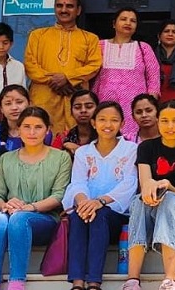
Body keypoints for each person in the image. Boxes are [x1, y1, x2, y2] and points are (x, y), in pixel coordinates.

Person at [0, 107, 72, 290]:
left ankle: (16, 281)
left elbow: (59, 196)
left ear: (47, 130)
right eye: (27, 126)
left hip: (45, 220)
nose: (32, 132)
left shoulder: (61, 158)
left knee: (19, 218)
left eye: (38, 127)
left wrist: (30, 207)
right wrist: (6, 205)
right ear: (18, 129)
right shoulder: (6, 159)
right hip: (11, 215)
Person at [123, 100, 175, 290]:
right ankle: (132, 280)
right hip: (152, 218)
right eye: (164, 121)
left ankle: (170, 279)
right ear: (157, 121)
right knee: (138, 201)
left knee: (170, 198)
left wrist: (167, 185)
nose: (170, 126)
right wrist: (151, 186)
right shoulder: (146, 148)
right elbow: (145, 184)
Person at [63, 102, 139, 290]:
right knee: (78, 216)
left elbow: (129, 183)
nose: (108, 125)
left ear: (122, 124)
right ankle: (77, 281)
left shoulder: (130, 149)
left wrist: (100, 201)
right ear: (94, 123)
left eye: (114, 120)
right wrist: (84, 203)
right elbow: (77, 183)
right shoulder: (83, 152)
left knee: (99, 215)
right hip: (87, 210)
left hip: (115, 213)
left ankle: (94, 282)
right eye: (102, 119)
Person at [25, 0, 102, 134]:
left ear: (78, 10)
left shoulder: (90, 38)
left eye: (69, 6)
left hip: (74, 98)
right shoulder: (37, 35)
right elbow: (30, 65)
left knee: (76, 139)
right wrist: (55, 80)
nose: (64, 10)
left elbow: (94, 66)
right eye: (59, 6)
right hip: (44, 97)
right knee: (42, 135)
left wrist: (67, 78)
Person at [91, 7, 161, 141]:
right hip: (104, 104)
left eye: (133, 21)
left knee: (133, 143)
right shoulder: (99, 46)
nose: (128, 23)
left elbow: (153, 78)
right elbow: (90, 73)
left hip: (135, 108)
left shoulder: (143, 47)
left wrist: (149, 106)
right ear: (114, 24)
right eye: (123, 19)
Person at [0, 85, 52, 155]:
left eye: (19, 102)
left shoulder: (41, 132)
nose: (14, 108)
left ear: (29, 104)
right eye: (8, 103)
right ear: (1, 109)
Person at [54, 90, 99, 154]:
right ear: (71, 112)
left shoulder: (106, 136)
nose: (83, 110)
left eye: (89, 106)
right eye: (77, 107)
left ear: (98, 109)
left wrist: (79, 150)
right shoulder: (63, 138)